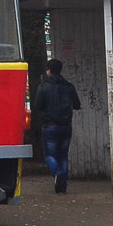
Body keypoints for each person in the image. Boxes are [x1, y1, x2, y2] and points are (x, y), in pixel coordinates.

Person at [33, 58, 81, 194]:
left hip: (50, 125)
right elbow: (77, 105)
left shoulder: (43, 86)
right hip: (66, 125)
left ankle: (57, 172)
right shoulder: (69, 86)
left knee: (49, 155)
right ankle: (63, 186)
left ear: (48, 70)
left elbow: (38, 105)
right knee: (63, 156)